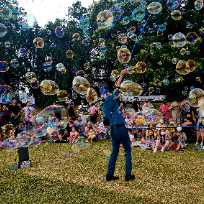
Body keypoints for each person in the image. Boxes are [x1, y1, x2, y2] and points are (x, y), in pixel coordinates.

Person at [103, 69, 134, 182]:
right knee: (127, 150)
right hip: (120, 127)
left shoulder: (105, 106)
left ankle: (109, 175)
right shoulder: (111, 99)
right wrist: (121, 74)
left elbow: (105, 121)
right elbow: (118, 87)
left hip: (113, 129)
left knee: (114, 151)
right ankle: (128, 174)